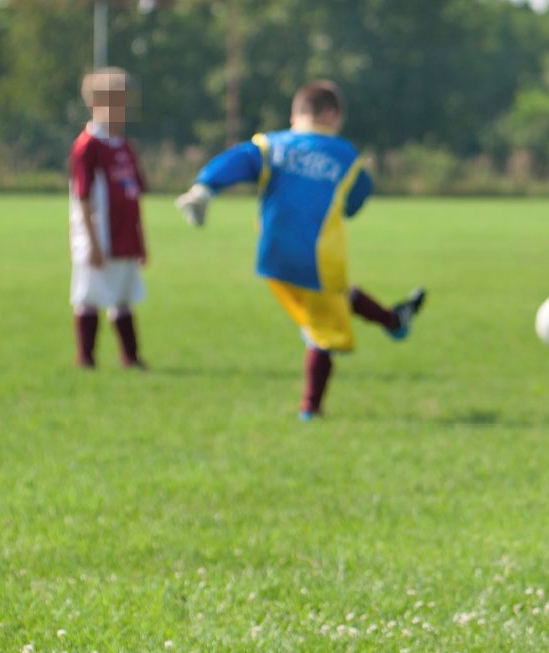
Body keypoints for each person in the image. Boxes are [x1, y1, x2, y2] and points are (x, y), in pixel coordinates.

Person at [174, 80, 426, 420]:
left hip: (272, 258)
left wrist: (205, 188)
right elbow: (357, 198)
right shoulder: (343, 153)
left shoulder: (272, 144)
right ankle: (311, 408)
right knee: (323, 334)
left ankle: (393, 320)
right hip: (317, 258)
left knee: (336, 297)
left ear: (296, 115)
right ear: (332, 115)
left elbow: (240, 158)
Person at [69, 67, 149, 369]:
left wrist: (141, 242)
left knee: (123, 296)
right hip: (100, 237)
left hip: (125, 236)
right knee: (89, 295)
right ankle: (86, 358)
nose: (122, 110)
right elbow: (83, 196)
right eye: (116, 102)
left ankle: (131, 357)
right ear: (96, 103)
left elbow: (134, 197)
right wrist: (91, 242)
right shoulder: (88, 146)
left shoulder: (125, 145)